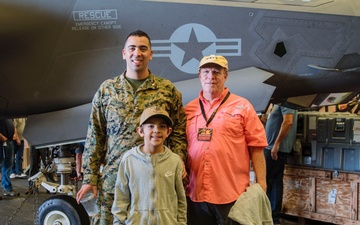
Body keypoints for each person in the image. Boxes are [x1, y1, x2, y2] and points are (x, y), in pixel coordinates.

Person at [76, 30, 187, 225]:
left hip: (153, 183)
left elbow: (178, 131)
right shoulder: (107, 90)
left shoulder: (167, 90)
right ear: (124, 53)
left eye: (143, 48)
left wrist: (179, 160)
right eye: (132, 48)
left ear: (151, 54)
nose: (138, 53)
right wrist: (90, 178)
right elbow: (95, 135)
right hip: (113, 181)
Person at [185, 55, 268, 225]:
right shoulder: (188, 109)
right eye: (206, 72)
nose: (211, 76)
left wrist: (262, 184)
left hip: (231, 193)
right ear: (199, 75)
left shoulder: (243, 106)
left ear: (225, 75)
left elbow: (257, 146)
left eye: (216, 72)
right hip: (195, 193)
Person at [112, 106, 187, 225]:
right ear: (140, 131)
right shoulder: (129, 160)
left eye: (162, 126)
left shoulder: (174, 161)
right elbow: (121, 197)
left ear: (168, 131)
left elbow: (180, 199)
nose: (156, 130)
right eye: (151, 126)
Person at [264, 104, 297, 225]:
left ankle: (272, 218)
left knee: (272, 182)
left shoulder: (286, 101)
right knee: (272, 181)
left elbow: (288, 122)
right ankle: (272, 218)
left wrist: (276, 144)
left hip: (275, 148)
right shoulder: (278, 102)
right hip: (271, 147)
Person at [0, 119, 20, 197]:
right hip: (1, 141)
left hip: (9, 141)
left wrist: (15, 134)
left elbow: (13, 124)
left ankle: (7, 188)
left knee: (8, 164)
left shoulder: (7, 112)